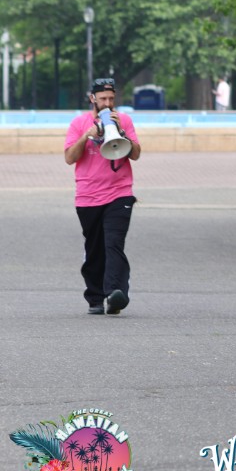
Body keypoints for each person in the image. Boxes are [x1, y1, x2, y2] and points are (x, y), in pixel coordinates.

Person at [64, 78, 142, 316]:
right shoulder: (79, 123)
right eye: (103, 99)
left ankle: (115, 293)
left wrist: (121, 133)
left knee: (114, 244)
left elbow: (136, 154)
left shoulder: (124, 120)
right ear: (93, 99)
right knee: (95, 249)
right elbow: (69, 158)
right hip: (88, 196)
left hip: (120, 192)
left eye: (111, 99)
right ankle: (96, 297)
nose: (107, 103)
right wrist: (86, 136)